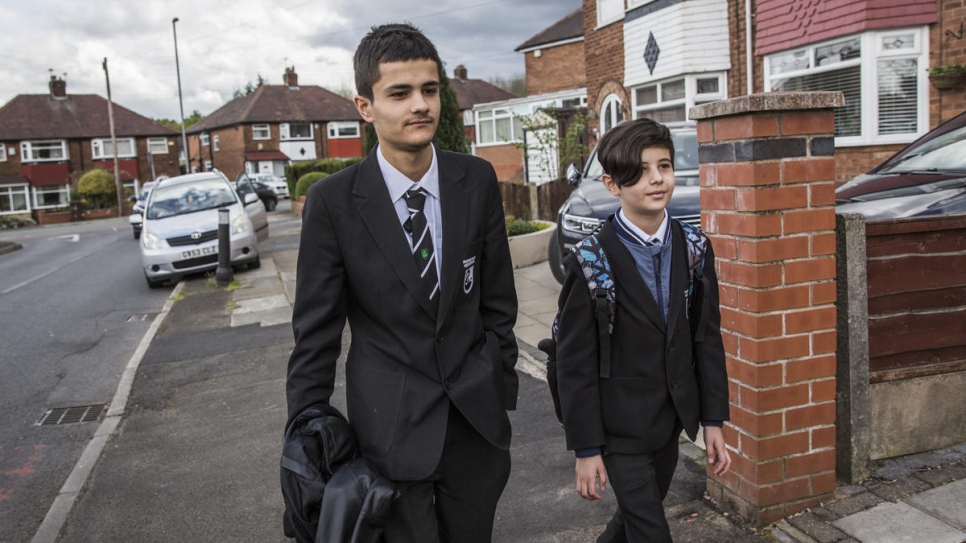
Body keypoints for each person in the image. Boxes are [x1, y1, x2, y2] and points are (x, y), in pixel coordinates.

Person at [284, 23, 519, 543]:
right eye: (400, 93)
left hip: (476, 430)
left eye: (430, 90)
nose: (420, 105)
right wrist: (304, 437)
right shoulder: (333, 203)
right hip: (388, 433)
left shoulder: (475, 179)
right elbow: (316, 334)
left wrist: (499, 380)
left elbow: (498, 301)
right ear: (364, 106)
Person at [554, 118, 732, 542]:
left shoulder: (694, 247)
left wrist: (713, 419)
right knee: (651, 531)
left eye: (664, 166)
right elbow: (574, 362)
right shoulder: (590, 259)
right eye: (640, 170)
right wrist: (586, 448)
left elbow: (706, 338)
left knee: (633, 521)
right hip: (617, 427)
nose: (656, 179)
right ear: (612, 184)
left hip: (670, 420)